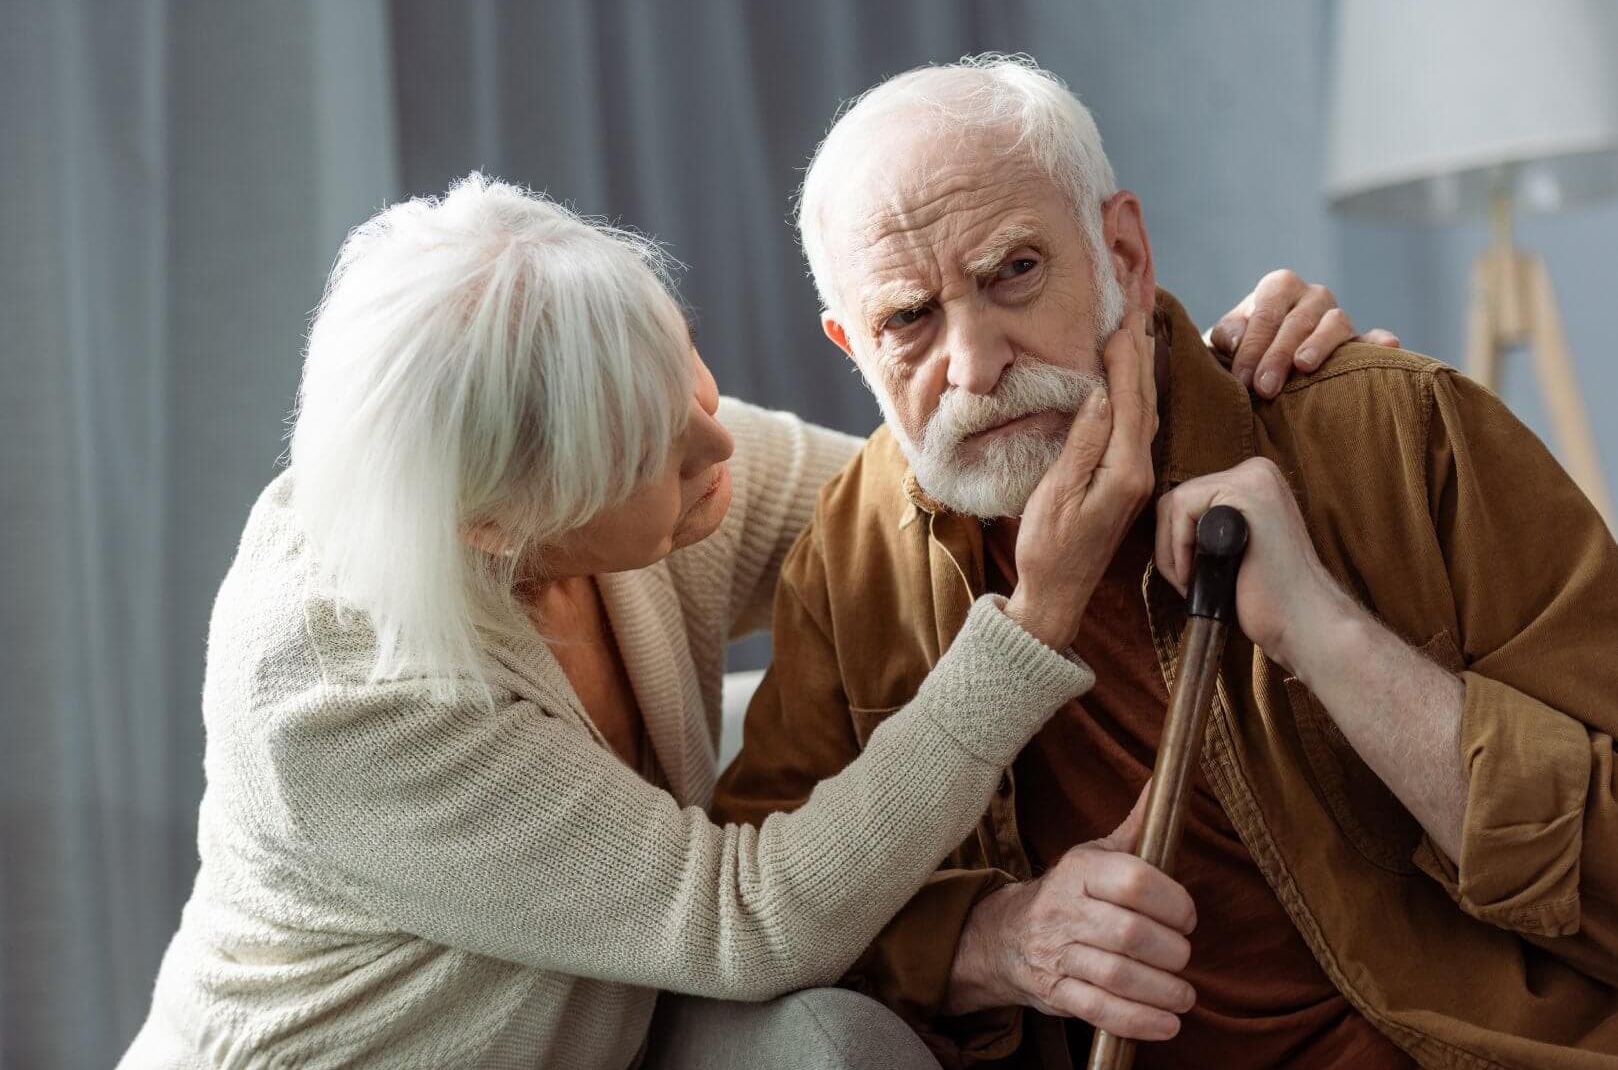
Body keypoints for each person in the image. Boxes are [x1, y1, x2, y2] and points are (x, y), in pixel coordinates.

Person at [116, 171, 1384, 1069]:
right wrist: (1038, 612)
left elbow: (926, 505)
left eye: (689, 379)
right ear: (501, 527)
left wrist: (1218, 387)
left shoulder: (602, 449)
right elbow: (745, 921)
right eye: (660, 457)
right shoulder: (349, 697)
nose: (721, 444)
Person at [712, 54, 1618, 1069]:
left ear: (1124, 254)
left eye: (1012, 271)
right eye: (906, 320)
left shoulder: (1397, 430)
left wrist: (1328, 634)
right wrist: (992, 940)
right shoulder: (853, 553)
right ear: (851, 347)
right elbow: (764, 914)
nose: (974, 363)